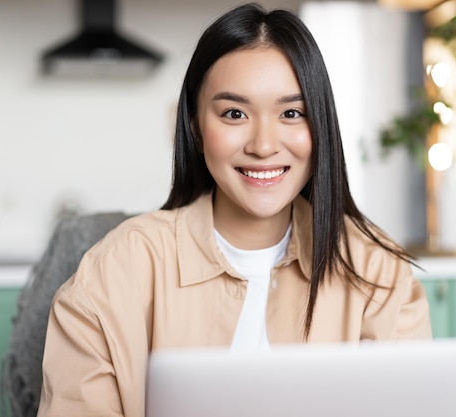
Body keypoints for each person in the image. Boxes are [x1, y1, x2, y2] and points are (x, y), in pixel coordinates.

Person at [36, 3, 432, 417]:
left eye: (292, 113)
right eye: (234, 113)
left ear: (321, 125)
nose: (263, 145)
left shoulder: (378, 273)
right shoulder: (115, 271)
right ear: (193, 124)